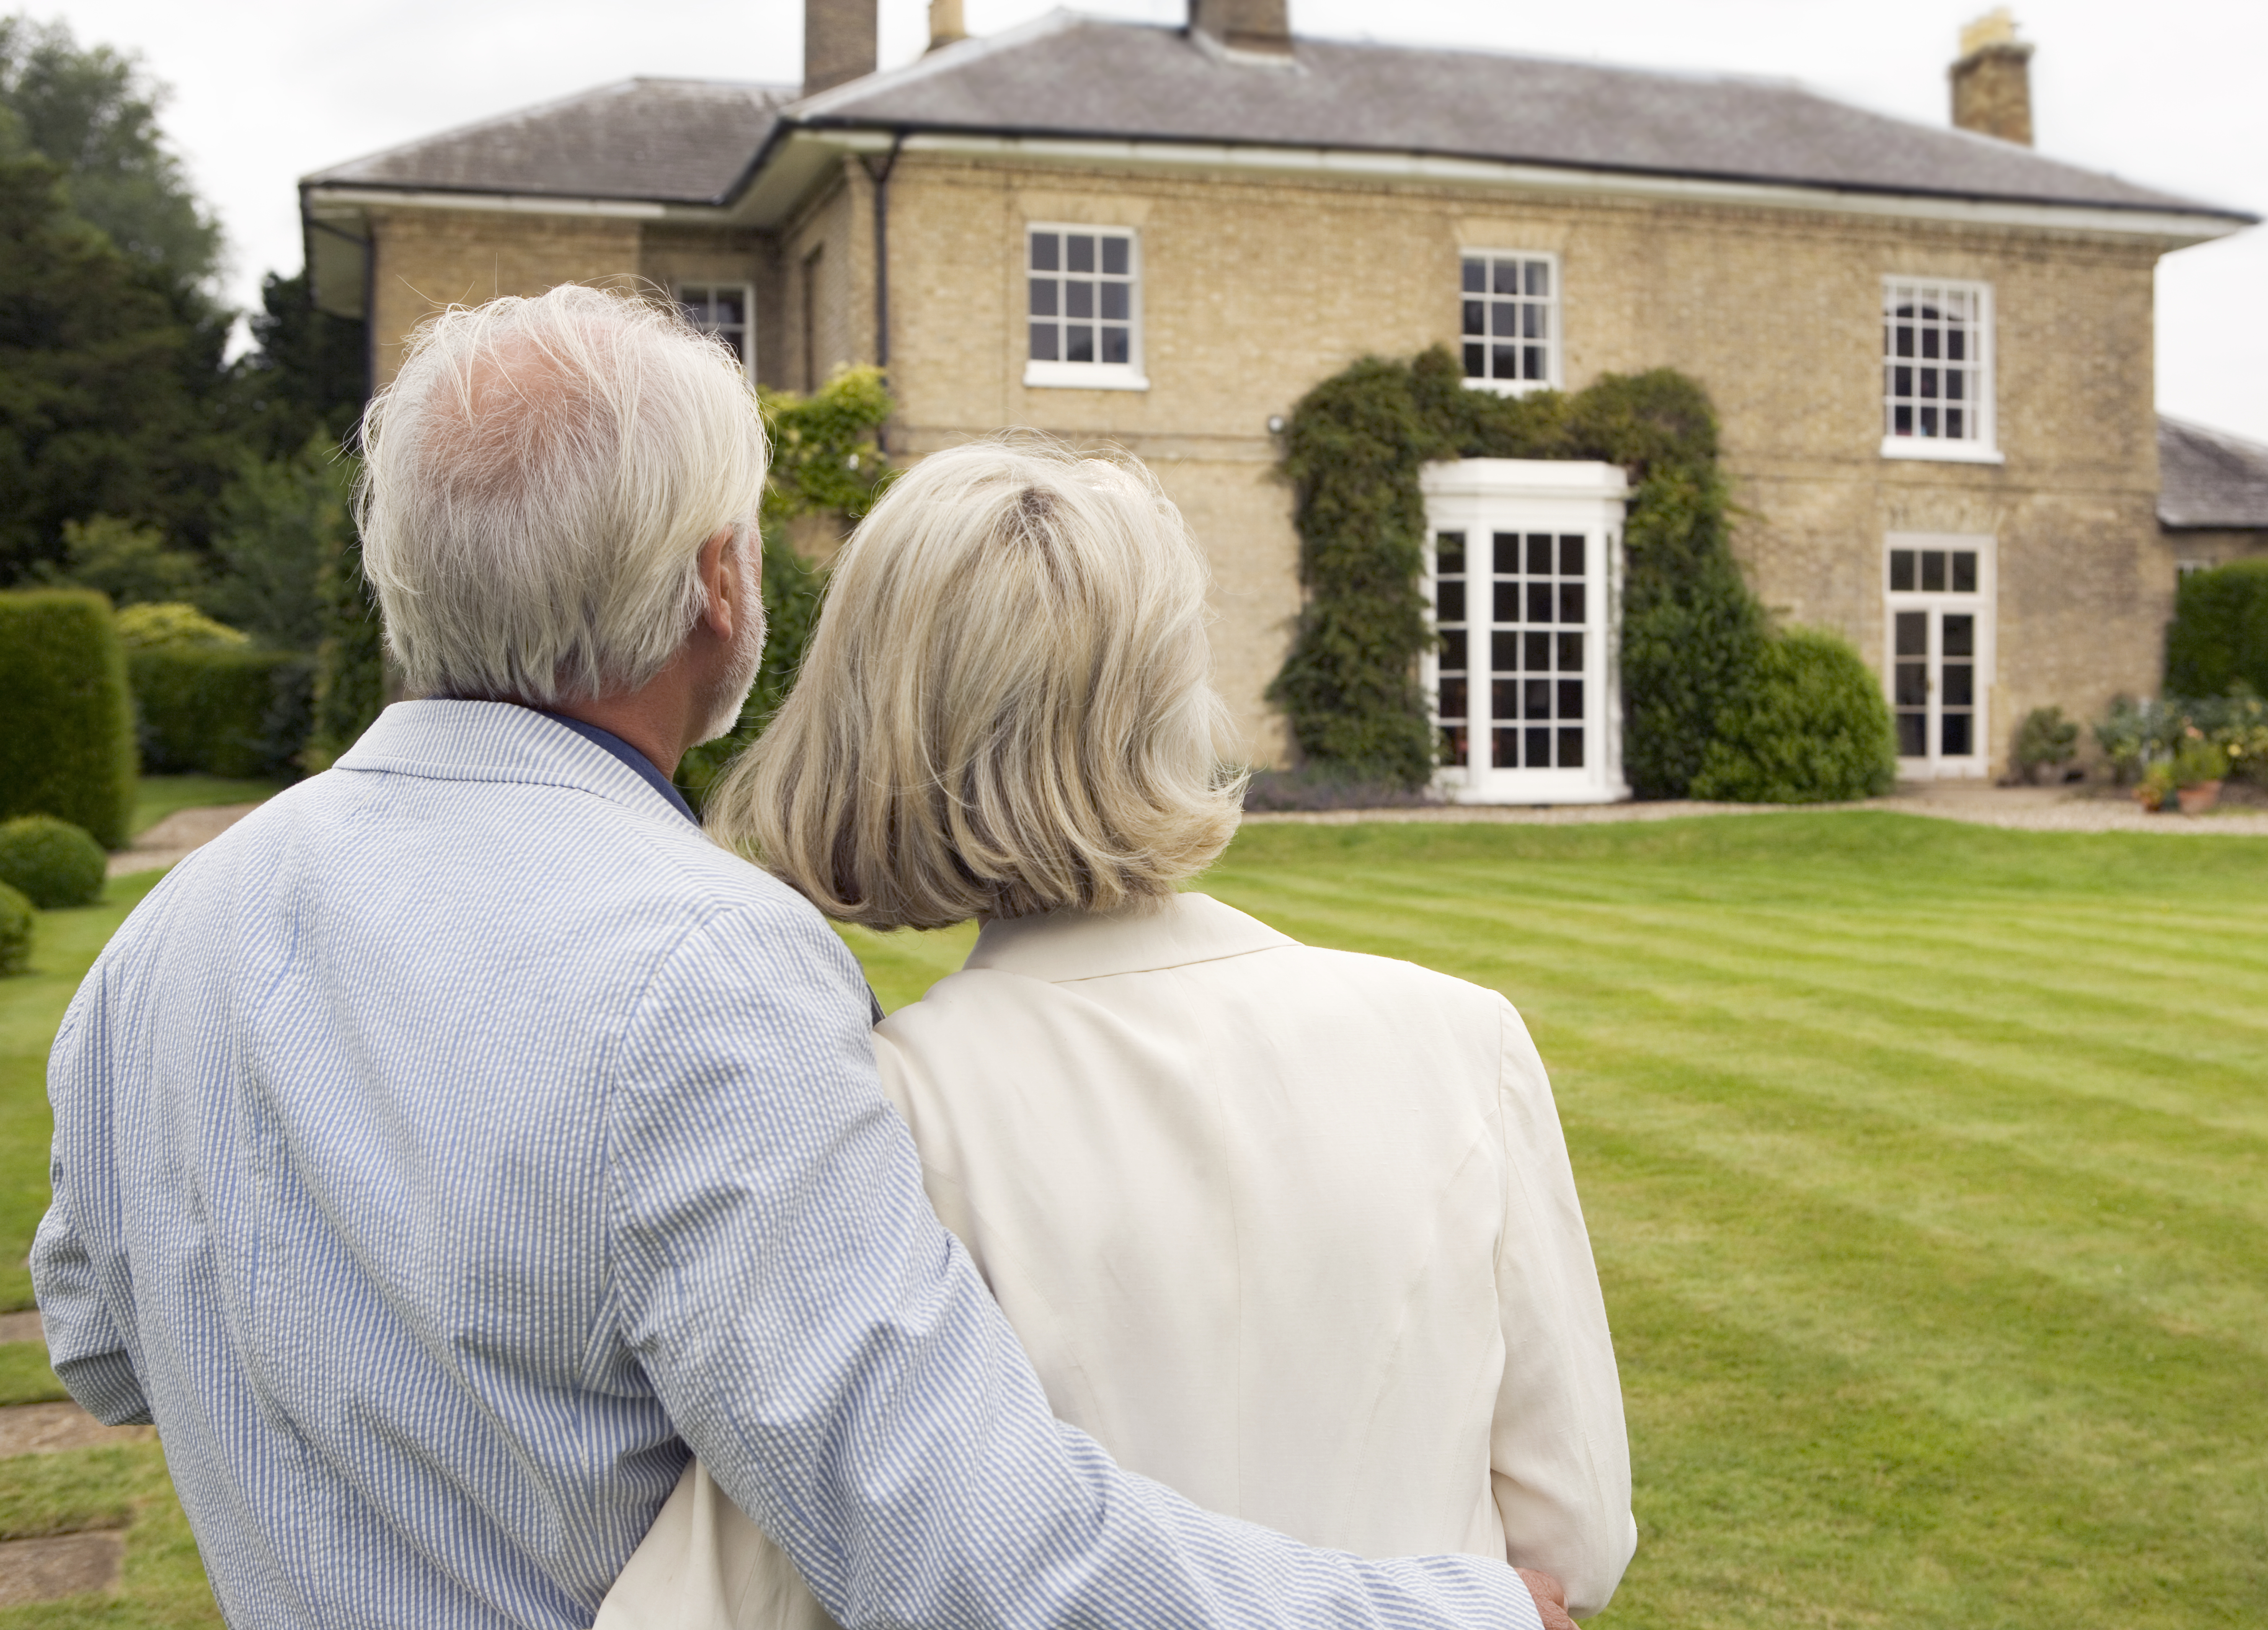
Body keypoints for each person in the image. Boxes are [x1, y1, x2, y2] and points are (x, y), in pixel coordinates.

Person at [31, 286, 1572, 1630]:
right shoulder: (700, 960)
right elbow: (955, 1545)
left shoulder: (163, 941)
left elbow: (105, 1347)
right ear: (719, 582)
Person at [595, 439, 1633, 1630]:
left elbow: (716, 1603)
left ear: (876, 720)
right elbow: (1576, 1542)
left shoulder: (884, 1108)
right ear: (1172, 696)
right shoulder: (1461, 1039)